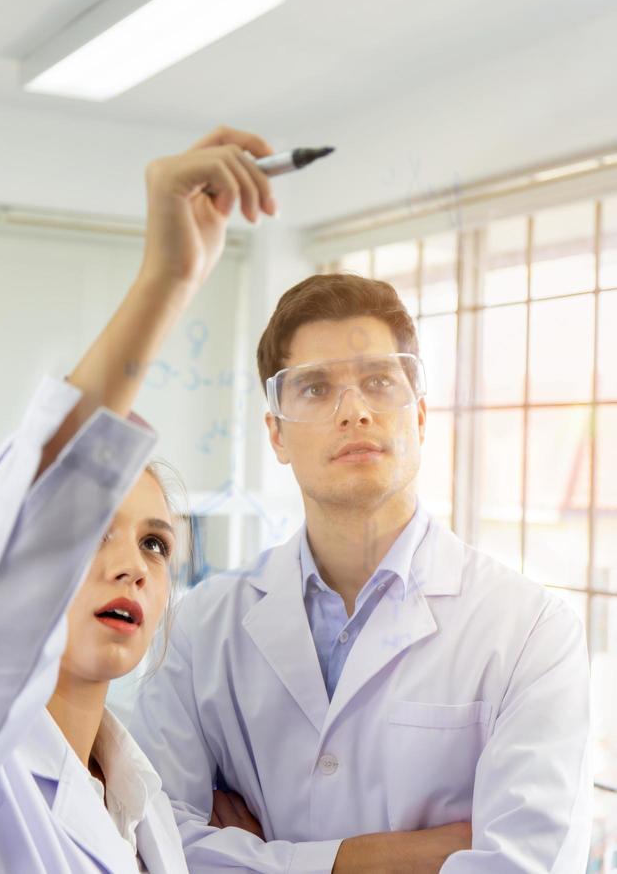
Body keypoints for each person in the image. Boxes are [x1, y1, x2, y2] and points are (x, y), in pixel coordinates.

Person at [131, 273, 594, 873]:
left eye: (378, 382)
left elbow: (526, 864)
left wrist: (262, 857)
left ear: (421, 416)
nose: (354, 411)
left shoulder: (532, 630)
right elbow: (153, 845)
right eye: (316, 389)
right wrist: (399, 855)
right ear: (276, 434)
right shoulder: (200, 627)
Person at [0, 125, 279, 872]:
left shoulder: (142, 803)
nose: (134, 568)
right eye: (93, 533)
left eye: (156, 544)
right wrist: (166, 281)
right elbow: (9, 569)